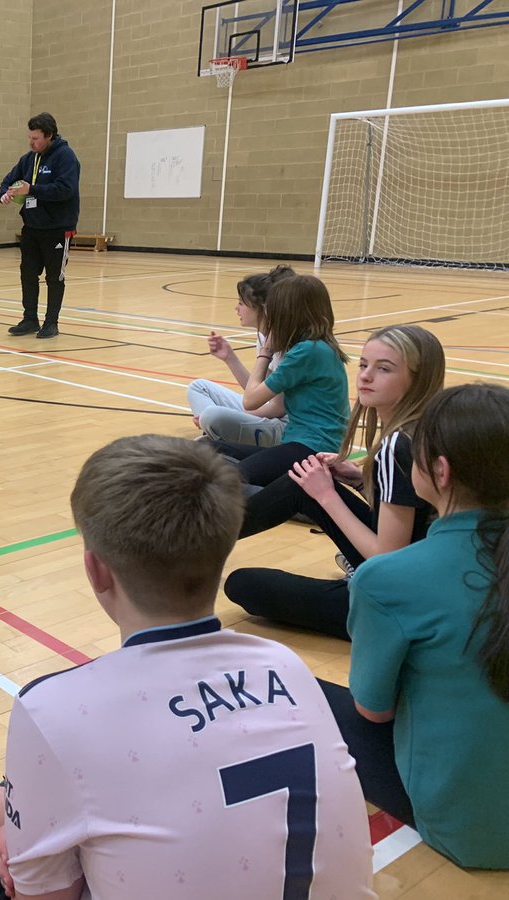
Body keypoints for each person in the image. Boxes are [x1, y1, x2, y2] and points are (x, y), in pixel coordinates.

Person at [0, 435, 375, 900]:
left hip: (72, 765)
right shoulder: (283, 663)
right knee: (46, 797)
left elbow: (44, 894)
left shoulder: (55, 707)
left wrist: (24, 843)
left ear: (95, 568)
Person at [320, 383, 509, 869]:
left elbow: (374, 711)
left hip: (473, 827)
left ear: (439, 472)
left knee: (308, 693)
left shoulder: (388, 578)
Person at [226, 325, 445, 638]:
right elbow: (414, 517)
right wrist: (359, 479)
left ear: (418, 379)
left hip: (405, 602)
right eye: (364, 365)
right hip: (420, 573)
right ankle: (198, 542)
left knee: (244, 584)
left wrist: (327, 495)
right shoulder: (423, 427)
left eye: (383, 369)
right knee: (298, 483)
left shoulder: (398, 446)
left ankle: (188, 546)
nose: (365, 376)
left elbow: (388, 557)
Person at [209, 274, 349, 486]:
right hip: (300, 443)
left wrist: (265, 352)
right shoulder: (314, 346)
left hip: (311, 449)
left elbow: (251, 400)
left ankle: (302, 497)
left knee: (230, 480)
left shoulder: (306, 351)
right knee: (206, 448)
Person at [188, 265, 296, 446]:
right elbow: (260, 392)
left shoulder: (286, 344)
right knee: (198, 387)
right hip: (266, 412)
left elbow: (277, 408)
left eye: (241, 303)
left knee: (212, 416)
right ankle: (222, 435)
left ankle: (222, 436)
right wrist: (229, 357)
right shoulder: (263, 337)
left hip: (284, 427)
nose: (236, 308)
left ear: (261, 308)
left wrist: (236, 417)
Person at [0, 113, 80, 340]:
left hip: (57, 228)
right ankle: (29, 319)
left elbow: (65, 189)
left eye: (36, 138)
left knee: (55, 277)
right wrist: (4, 194)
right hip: (32, 228)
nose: (31, 142)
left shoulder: (66, 157)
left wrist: (31, 190)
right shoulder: (28, 159)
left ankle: (51, 322)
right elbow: (8, 180)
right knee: (28, 274)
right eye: (30, 137)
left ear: (50, 136)